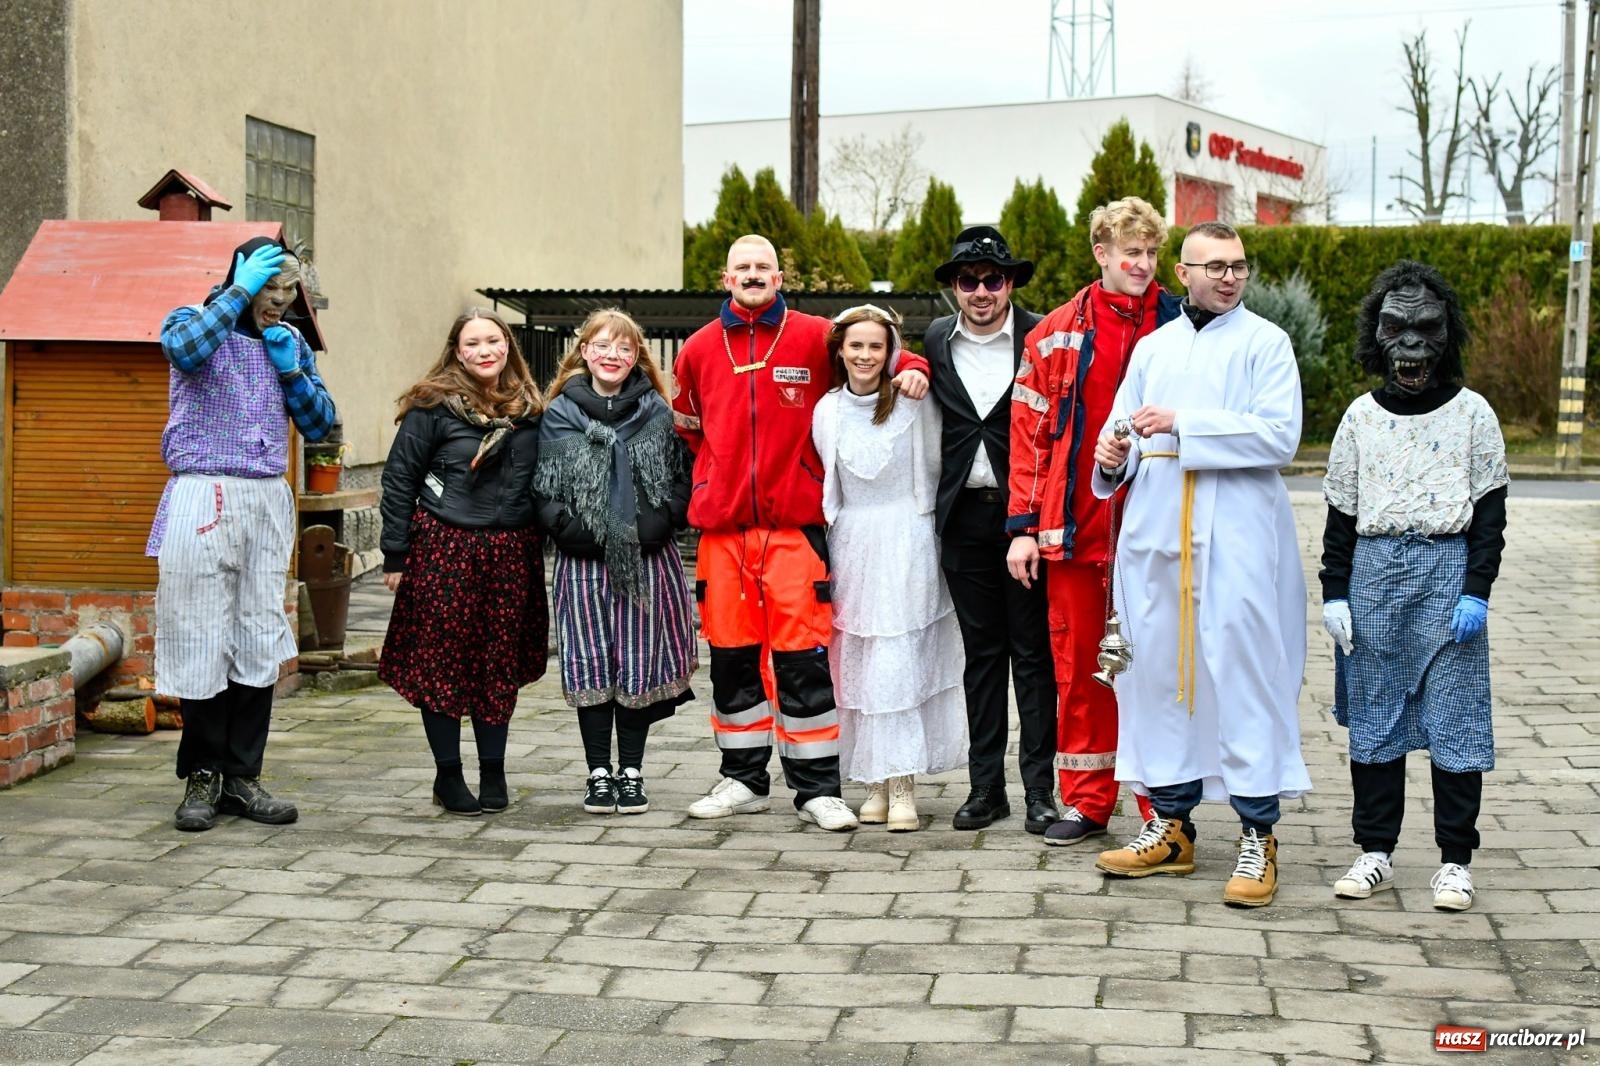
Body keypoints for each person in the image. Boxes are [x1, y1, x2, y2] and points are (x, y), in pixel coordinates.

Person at [671, 233, 929, 831]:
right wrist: (716, 479)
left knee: (804, 662)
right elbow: (689, 428)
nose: (754, 274)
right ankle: (741, 779)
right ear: (725, 278)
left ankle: (817, 789)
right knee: (733, 661)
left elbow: (880, 346)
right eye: (743, 267)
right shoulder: (699, 349)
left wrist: (912, 367)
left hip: (795, 530)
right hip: (725, 533)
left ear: (780, 276)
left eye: (764, 266)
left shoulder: (817, 334)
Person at [1088, 221, 1310, 908]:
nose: (1228, 277)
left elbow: (1280, 435)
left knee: (1241, 673)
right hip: (1157, 537)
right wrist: (1110, 455)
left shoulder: (1264, 344)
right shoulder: (1154, 347)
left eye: (1238, 266)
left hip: (1236, 536)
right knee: (1158, 677)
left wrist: (1187, 423)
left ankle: (1258, 834)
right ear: (1181, 272)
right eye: (1212, 266)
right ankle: (1172, 826)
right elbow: (1122, 424)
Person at [1320, 261, 1508, 913]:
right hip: (1374, 579)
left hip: (1448, 574)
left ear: (1446, 335)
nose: (1411, 345)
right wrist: (1334, 593)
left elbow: (1490, 516)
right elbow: (1340, 514)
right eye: (1395, 328)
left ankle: (1455, 862)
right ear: (1376, 336)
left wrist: (1477, 590)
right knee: (1375, 719)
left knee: (1456, 721)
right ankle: (1375, 851)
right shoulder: (1358, 419)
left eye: (1426, 328)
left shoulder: (1474, 415)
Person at [151, 236, 336, 832]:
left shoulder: (292, 343)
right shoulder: (195, 322)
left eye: (288, 291)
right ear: (245, 278)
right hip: (201, 490)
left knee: (256, 633)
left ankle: (243, 778)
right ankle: (201, 776)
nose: (279, 302)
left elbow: (321, 424)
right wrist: (237, 293)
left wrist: (292, 373)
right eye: (270, 288)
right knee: (200, 634)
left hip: (264, 497)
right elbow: (182, 351)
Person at [1008, 198, 1177, 846]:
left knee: (1155, 669)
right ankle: (1086, 800)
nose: (1140, 264)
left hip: (1158, 529)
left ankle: (1161, 807)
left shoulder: (1181, 324)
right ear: (1101, 253)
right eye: (1128, 252)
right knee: (1080, 671)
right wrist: (1022, 525)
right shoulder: (1053, 333)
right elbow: (1028, 438)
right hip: (1076, 529)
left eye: (1150, 254)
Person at [378, 309, 547, 817]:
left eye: (493, 341)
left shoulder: (532, 409)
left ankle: (493, 772)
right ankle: (448, 777)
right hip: (444, 547)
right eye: (472, 343)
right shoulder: (431, 407)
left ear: (508, 346)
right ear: (457, 350)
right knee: (441, 664)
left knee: (497, 663)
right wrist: (395, 554)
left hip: (512, 551)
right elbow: (399, 479)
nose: (484, 351)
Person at [533, 309, 697, 816]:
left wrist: (658, 523)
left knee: (638, 663)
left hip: (648, 562)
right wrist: (571, 531)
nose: (613, 355)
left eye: (624, 348)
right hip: (581, 564)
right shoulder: (556, 412)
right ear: (584, 351)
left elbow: (680, 478)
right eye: (602, 345)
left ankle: (631, 771)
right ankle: (598, 773)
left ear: (636, 357)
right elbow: (542, 486)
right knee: (590, 663)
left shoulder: (658, 411)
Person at [922, 226, 1058, 833]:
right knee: (980, 658)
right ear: (954, 286)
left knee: (1032, 658)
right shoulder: (934, 339)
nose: (981, 291)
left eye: (992, 279)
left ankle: (1039, 791)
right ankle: (986, 789)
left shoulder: (1041, 336)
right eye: (968, 280)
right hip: (963, 518)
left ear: (1010, 284)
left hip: (1025, 516)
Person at [812, 305, 966, 831]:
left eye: (875, 346)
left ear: (890, 350)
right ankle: (873, 782)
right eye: (856, 346)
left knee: (899, 660)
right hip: (853, 542)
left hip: (906, 536)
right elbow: (830, 481)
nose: (865, 356)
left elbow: (934, 466)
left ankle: (903, 785)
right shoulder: (827, 409)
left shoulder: (911, 401)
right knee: (858, 662)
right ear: (840, 349)